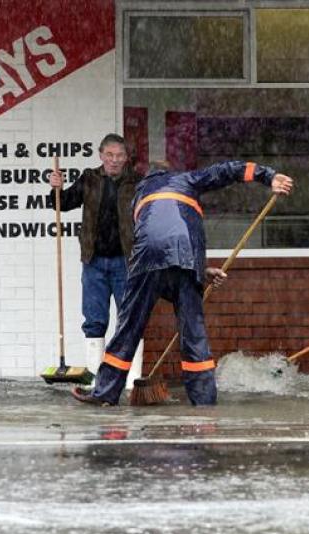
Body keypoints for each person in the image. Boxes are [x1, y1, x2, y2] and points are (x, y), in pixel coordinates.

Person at [72, 160, 294, 406]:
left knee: (128, 327)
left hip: (147, 259)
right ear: (171, 173)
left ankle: (105, 394)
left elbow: (156, 244)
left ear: (147, 176)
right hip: (186, 259)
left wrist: (202, 270)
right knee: (193, 333)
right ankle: (204, 400)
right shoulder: (187, 180)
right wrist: (268, 176)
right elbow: (226, 170)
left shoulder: (139, 195)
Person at [49, 133, 144, 386]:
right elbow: (63, 204)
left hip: (127, 262)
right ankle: (96, 380)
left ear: (126, 158)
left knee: (130, 318)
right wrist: (56, 188)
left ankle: (132, 380)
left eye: (120, 155)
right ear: (101, 155)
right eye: (110, 155)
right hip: (94, 262)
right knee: (94, 321)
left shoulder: (136, 182)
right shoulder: (89, 179)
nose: (114, 160)